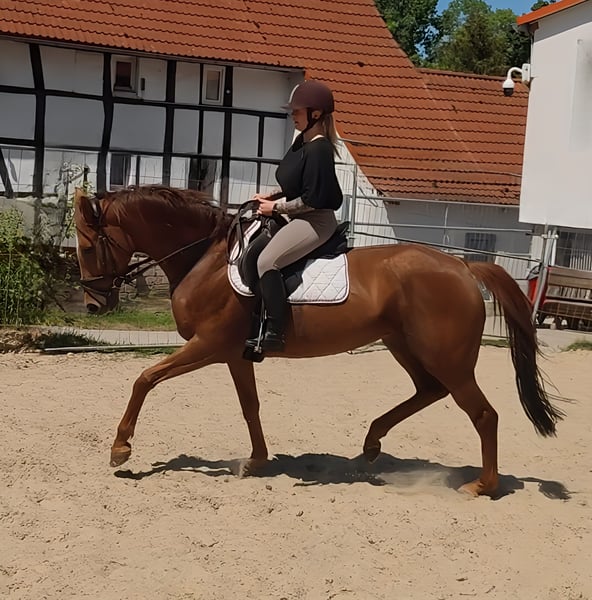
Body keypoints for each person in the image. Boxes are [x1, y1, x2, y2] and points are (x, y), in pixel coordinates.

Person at [246, 79, 343, 353]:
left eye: (297, 111)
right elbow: (294, 184)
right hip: (298, 216)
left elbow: (311, 200)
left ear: (316, 114)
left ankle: (276, 331)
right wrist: (270, 195)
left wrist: (275, 209)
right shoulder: (302, 141)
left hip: (316, 221)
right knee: (252, 249)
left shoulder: (320, 149)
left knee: (267, 261)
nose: (292, 116)